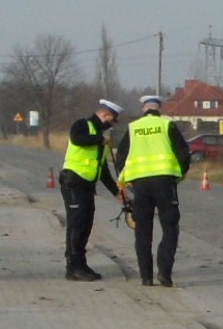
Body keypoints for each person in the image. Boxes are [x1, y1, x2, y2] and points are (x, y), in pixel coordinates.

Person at [115, 90, 192, 286]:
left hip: (140, 185)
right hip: (165, 182)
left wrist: (129, 180)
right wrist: (179, 175)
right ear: (159, 109)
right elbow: (183, 153)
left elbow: (121, 157)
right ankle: (164, 272)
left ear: (143, 109)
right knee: (170, 227)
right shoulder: (167, 125)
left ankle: (146, 277)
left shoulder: (133, 128)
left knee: (142, 230)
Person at [59, 98, 121, 280]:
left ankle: (81, 264)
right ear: (105, 115)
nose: (111, 126)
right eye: (111, 121)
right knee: (76, 225)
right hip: (73, 182)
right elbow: (77, 139)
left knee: (86, 225)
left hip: (87, 186)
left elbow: (103, 170)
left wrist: (116, 192)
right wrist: (100, 140)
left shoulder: (100, 137)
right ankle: (73, 267)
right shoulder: (82, 125)